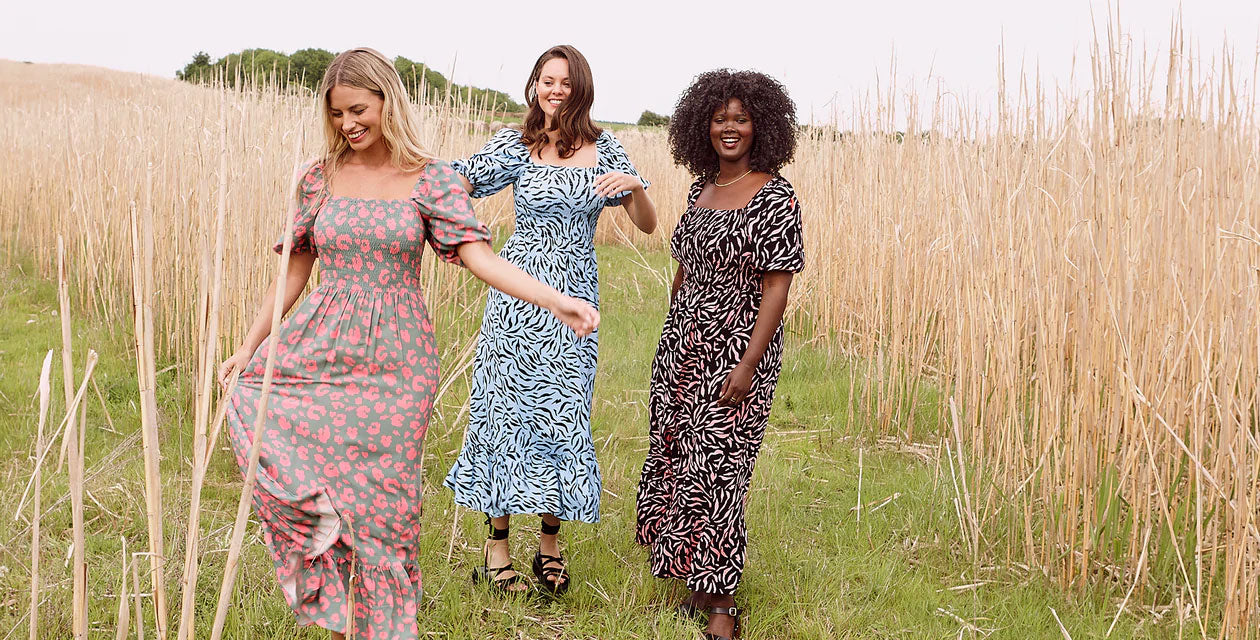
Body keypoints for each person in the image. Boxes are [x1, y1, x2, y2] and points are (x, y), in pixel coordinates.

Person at [217, 47, 599, 640]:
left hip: (398, 361)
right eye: (338, 113)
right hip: (320, 346)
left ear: (388, 102)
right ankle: (342, 606)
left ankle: (389, 627)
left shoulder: (431, 178)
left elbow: (480, 260)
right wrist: (249, 346)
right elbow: (294, 270)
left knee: (387, 508)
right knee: (267, 419)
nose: (348, 124)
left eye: (359, 110)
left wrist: (554, 299)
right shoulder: (317, 178)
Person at [442, 44, 656, 595]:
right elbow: (459, 181)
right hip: (517, 296)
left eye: (564, 81)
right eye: (546, 80)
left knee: (562, 417)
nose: (554, 90)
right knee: (505, 414)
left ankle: (550, 546)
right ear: (534, 85)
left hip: (577, 301)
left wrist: (633, 187)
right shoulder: (516, 144)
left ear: (580, 87)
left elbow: (648, 223)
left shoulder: (606, 147)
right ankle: (495, 548)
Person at [635, 69, 804, 640]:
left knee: (720, 473)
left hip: (737, 351)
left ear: (762, 125)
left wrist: (749, 365)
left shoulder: (775, 196)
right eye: (719, 118)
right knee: (681, 462)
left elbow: (777, 287)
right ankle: (693, 584)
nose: (729, 128)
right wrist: (672, 329)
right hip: (683, 346)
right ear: (701, 124)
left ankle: (723, 608)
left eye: (741, 118)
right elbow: (683, 264)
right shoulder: (700, 187)